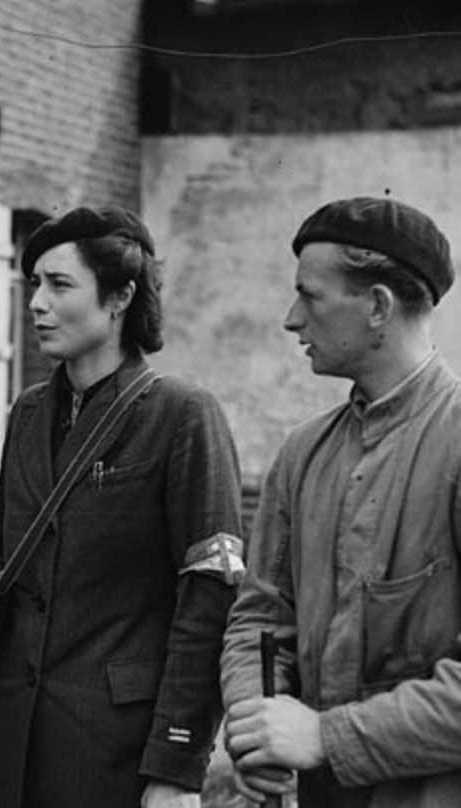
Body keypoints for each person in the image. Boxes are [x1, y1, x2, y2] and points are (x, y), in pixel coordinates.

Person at [0, 206, 244, 808]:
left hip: (109, 747)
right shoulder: (27, 412)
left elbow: (208, 598)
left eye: (59, 285)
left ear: (120, 297)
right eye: (35, 285)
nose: (36, 303)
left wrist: (178, 763)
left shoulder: (181, 414)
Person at [221, 197, 461, 807]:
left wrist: (327, 736)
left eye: (310, 295)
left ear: (378, 306)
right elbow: (259, 619)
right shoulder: (303, 453)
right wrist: (259, 729)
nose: (291, 318)